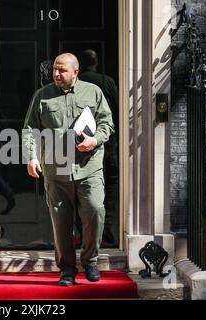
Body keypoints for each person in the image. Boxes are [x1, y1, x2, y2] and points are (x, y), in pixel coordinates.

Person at [23, 53, 114, 285]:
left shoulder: (93, 92)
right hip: (56, 170)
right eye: (54, 69)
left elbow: (107, 123)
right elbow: (30, 129)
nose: (56, 74)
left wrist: (94, 141)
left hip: (89, 168)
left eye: (61, 70)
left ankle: (90, 261)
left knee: (94, 211)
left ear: (75, 72)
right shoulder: (42, 96)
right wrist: (31, 157)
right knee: (61, 222)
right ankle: (67, 270)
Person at [79, 49, 119, 246]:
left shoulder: (76, 84)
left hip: (77, 144)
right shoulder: (108, 82)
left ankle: (82, 231)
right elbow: (118, 111)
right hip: (107, 144)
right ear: (96, 63)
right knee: (110, 184)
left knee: (79, 185)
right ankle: (106, 229)